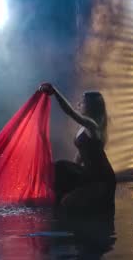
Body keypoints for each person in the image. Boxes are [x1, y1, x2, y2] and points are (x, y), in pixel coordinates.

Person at [38, 83, 116, 213]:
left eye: (83, 102)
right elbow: (81, 154)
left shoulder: (92, 125)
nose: (79, 104)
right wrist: (71, 176)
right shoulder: (84, 127)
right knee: (58, 169)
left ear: (91, 107)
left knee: (69, 204)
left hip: (101, 178)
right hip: (89, 174)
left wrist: (55, 92)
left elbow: (71, 113)